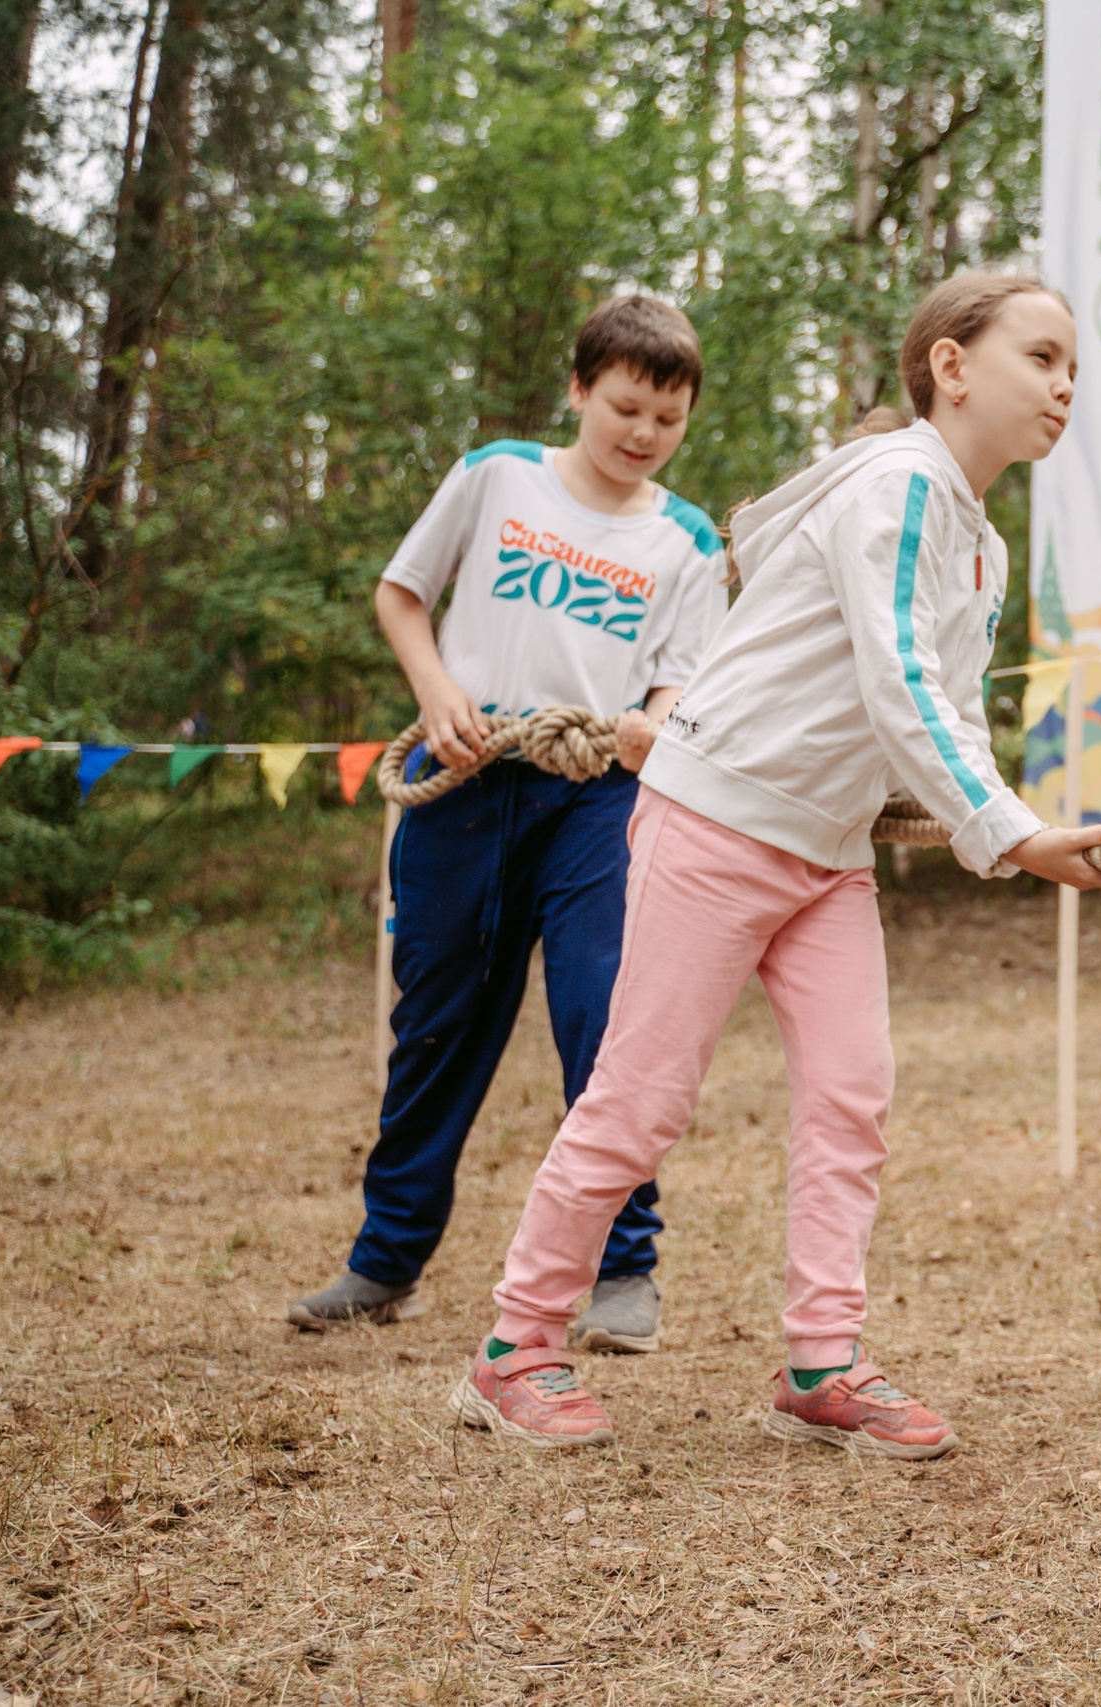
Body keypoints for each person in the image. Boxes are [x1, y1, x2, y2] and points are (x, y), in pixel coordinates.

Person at [446, 271, 1101, 1455]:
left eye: (1075, 366)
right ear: (952, 368)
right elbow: (897, 680)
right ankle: (514, 1351)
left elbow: (946, 715)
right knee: (641, 1102)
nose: (1066, 385)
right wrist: (1007, 833)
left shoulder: (983, 548)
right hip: (717, 820)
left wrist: (992, 810)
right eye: (1043, 356)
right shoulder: (900, 483)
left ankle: (820, 1366)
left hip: (824, 851)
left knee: (853, 1095)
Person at [289, 296, 726, 1357]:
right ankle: (386, 1260)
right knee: (437, 1027)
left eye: (665, 420)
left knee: (605, 1025)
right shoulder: (495, 476)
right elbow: (402, 593)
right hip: (465, 784)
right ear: (578, 390)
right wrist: (438, 691)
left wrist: (647, 728)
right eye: (624, 407)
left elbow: (683, 683)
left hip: (597, 804)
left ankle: (625, 1271)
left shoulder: (688, 541)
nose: (641, 434)